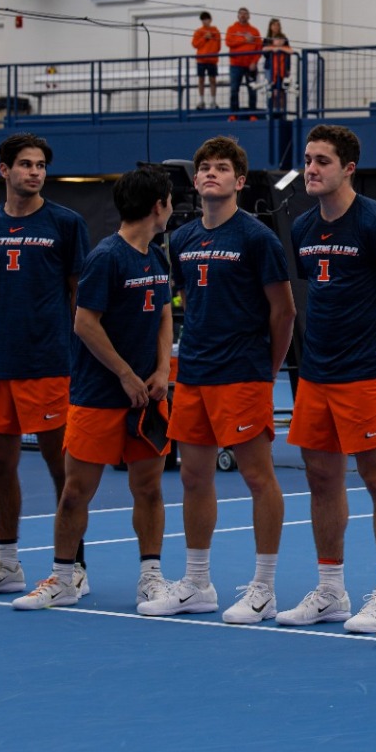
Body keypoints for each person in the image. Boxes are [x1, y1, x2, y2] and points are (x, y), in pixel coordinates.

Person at [144, 137, 295, 621]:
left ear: (240, 181)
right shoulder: (182, 240)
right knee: (192, 476)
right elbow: (185, 305)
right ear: (194, 180)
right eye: (205, 167)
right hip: (193, 375)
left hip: (243, 376)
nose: (212, 174)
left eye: (223, 168)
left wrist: (265, 371)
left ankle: (264, 587)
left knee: (257, 477)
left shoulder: (258, 238)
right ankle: (196, 583)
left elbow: (284, 312)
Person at [12, 167, 174, 612]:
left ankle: (151, 578)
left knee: (150, 489)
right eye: (170, 199)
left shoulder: (157, 259)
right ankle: (64, 579)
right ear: (159, 205)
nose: (171, 207)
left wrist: (162, 370)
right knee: (75, 492)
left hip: (148, 402)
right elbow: (85, 323)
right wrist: (124, 373)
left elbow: (163, 314)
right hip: (98, 397)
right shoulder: (106, 257)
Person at [279, 124, 376, 632]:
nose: (311, 169)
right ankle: (331, 591)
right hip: (315, 375)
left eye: (322, 161)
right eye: (308, 160)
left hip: (367, 375)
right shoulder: (303, 229)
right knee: (321, 480)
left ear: (348, 168)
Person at [0, 134, 90, 601]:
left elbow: (78, 294)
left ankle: (74, 569)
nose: (35, 172)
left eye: (41, 165)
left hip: (48, 362)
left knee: (62, 468)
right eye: (26, 164)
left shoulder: (66, 223)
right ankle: (8, 565)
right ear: (4, 170)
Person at [224, 7, 263, 111]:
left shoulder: (254, 31)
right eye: (241, 14)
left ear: (249, 16)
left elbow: (259, 48)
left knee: (252, 90)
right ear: (238, 16)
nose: (243, 15)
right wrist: (244, 40)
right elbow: (228, 43)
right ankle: (234, 114)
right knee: (234, 89)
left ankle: (252, 114)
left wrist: (254, 62)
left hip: (250, 65)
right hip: (235, 65)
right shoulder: (231, 29)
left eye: (245, 14)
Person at [191, 12, 221, 108]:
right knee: (201, 80)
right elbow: (195, 44)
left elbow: (218, 46)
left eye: (206, 19)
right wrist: (204, 38)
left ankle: (213, 101)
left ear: (210, 20)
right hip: (201, 60)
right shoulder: (198, 31)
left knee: (212, 80)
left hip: (212, 59)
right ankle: (201, 100)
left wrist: (212, 48)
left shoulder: (215, 31)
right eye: (203, 20)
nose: (205, 21)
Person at [264, 19, 293, 113]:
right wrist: (275, 48)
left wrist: (279, 48)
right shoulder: (267, 40)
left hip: (282, 71)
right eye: (274, 25)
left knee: (281, 92)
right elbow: (264, 50)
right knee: (271, 91)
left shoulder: (284, 41)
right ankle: (270, 111)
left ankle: (281, 112)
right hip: (271, 70)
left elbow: (290, 52)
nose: (276, 27)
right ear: (270, 26)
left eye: (278, 25)